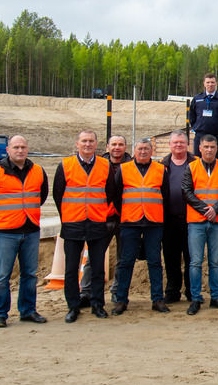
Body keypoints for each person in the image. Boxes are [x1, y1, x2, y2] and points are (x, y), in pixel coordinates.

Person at [0, 135, 49, 327]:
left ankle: (28, 310)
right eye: (16, 147)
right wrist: (3, 214)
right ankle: (0, 314)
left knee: (30, 274)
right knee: (2, 275)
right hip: (6, 232)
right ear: (8, 150)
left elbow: (41, 196)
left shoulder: (38, 171)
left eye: (23, 147)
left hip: (31, 229)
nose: (20, 151)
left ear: (27, 149)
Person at [52, 129, 119, 323]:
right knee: (71, 269)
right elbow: (58, 194)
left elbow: (110, 193)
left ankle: (97, 304)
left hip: (98, 223)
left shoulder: (104, 165)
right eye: (84, 141)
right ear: (77, 144)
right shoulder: (65, 165)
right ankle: (73, 306)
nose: (87, 144)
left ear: (96, 144)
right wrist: (67, 215)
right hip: (73, 224)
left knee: (98, 267)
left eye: (91, 141)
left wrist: (98, 212)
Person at [111, 138, 169, 315]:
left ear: (151, 151)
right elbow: (116, 195)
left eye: (146, 149)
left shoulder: (161, 170)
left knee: (155, 262)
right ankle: (121, 300)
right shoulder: (124, 168)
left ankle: (157, 299)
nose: (143, 152)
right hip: (130, 222)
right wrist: (126, 213)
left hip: (153, 222)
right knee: (126, 262)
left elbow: (165, 195)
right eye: (140, 149)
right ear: (134, 151)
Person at [182, 134, 218, 315]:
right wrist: (206, 210)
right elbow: (187, 192)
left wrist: (216, 209)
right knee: (196, 262)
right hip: (196, 222)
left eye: (212, 147)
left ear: (216, 148)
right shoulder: (191, 167)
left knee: (214, 262)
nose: (209, 150)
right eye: (206, 146)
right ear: (199, 147)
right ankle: (196, 298)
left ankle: (215, 297)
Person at [98, 134, 131, 305]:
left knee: (122, 259)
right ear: (107, 147)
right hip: (102, 218)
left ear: (126, 147)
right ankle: (88, 293)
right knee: (94, 259)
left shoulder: (131, 166)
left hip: (124, 219)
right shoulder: (98, 166)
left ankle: (117, 292)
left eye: (120, 144)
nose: (117, 147)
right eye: (114, 144)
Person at [160, 130, 192, 303]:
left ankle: (190, 291)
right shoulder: (162, 165)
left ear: (187, 144)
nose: (178, 145)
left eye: (181, 142)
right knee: (171, 258)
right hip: (169, 219)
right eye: (175, 142)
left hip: (191, 220)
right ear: (170, 145)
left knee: (190, 258)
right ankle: (172, 292)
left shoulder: (196, 163)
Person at [187, 72, 218, 157]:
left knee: (216, 162)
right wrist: (196, 127)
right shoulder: (197, 99)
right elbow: (192, 116)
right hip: (200, 136)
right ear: (204, 84)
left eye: (212, 82)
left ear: (216, 83)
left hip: (216, 136)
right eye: (208, 82)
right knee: (198, 162)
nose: (210, 84)